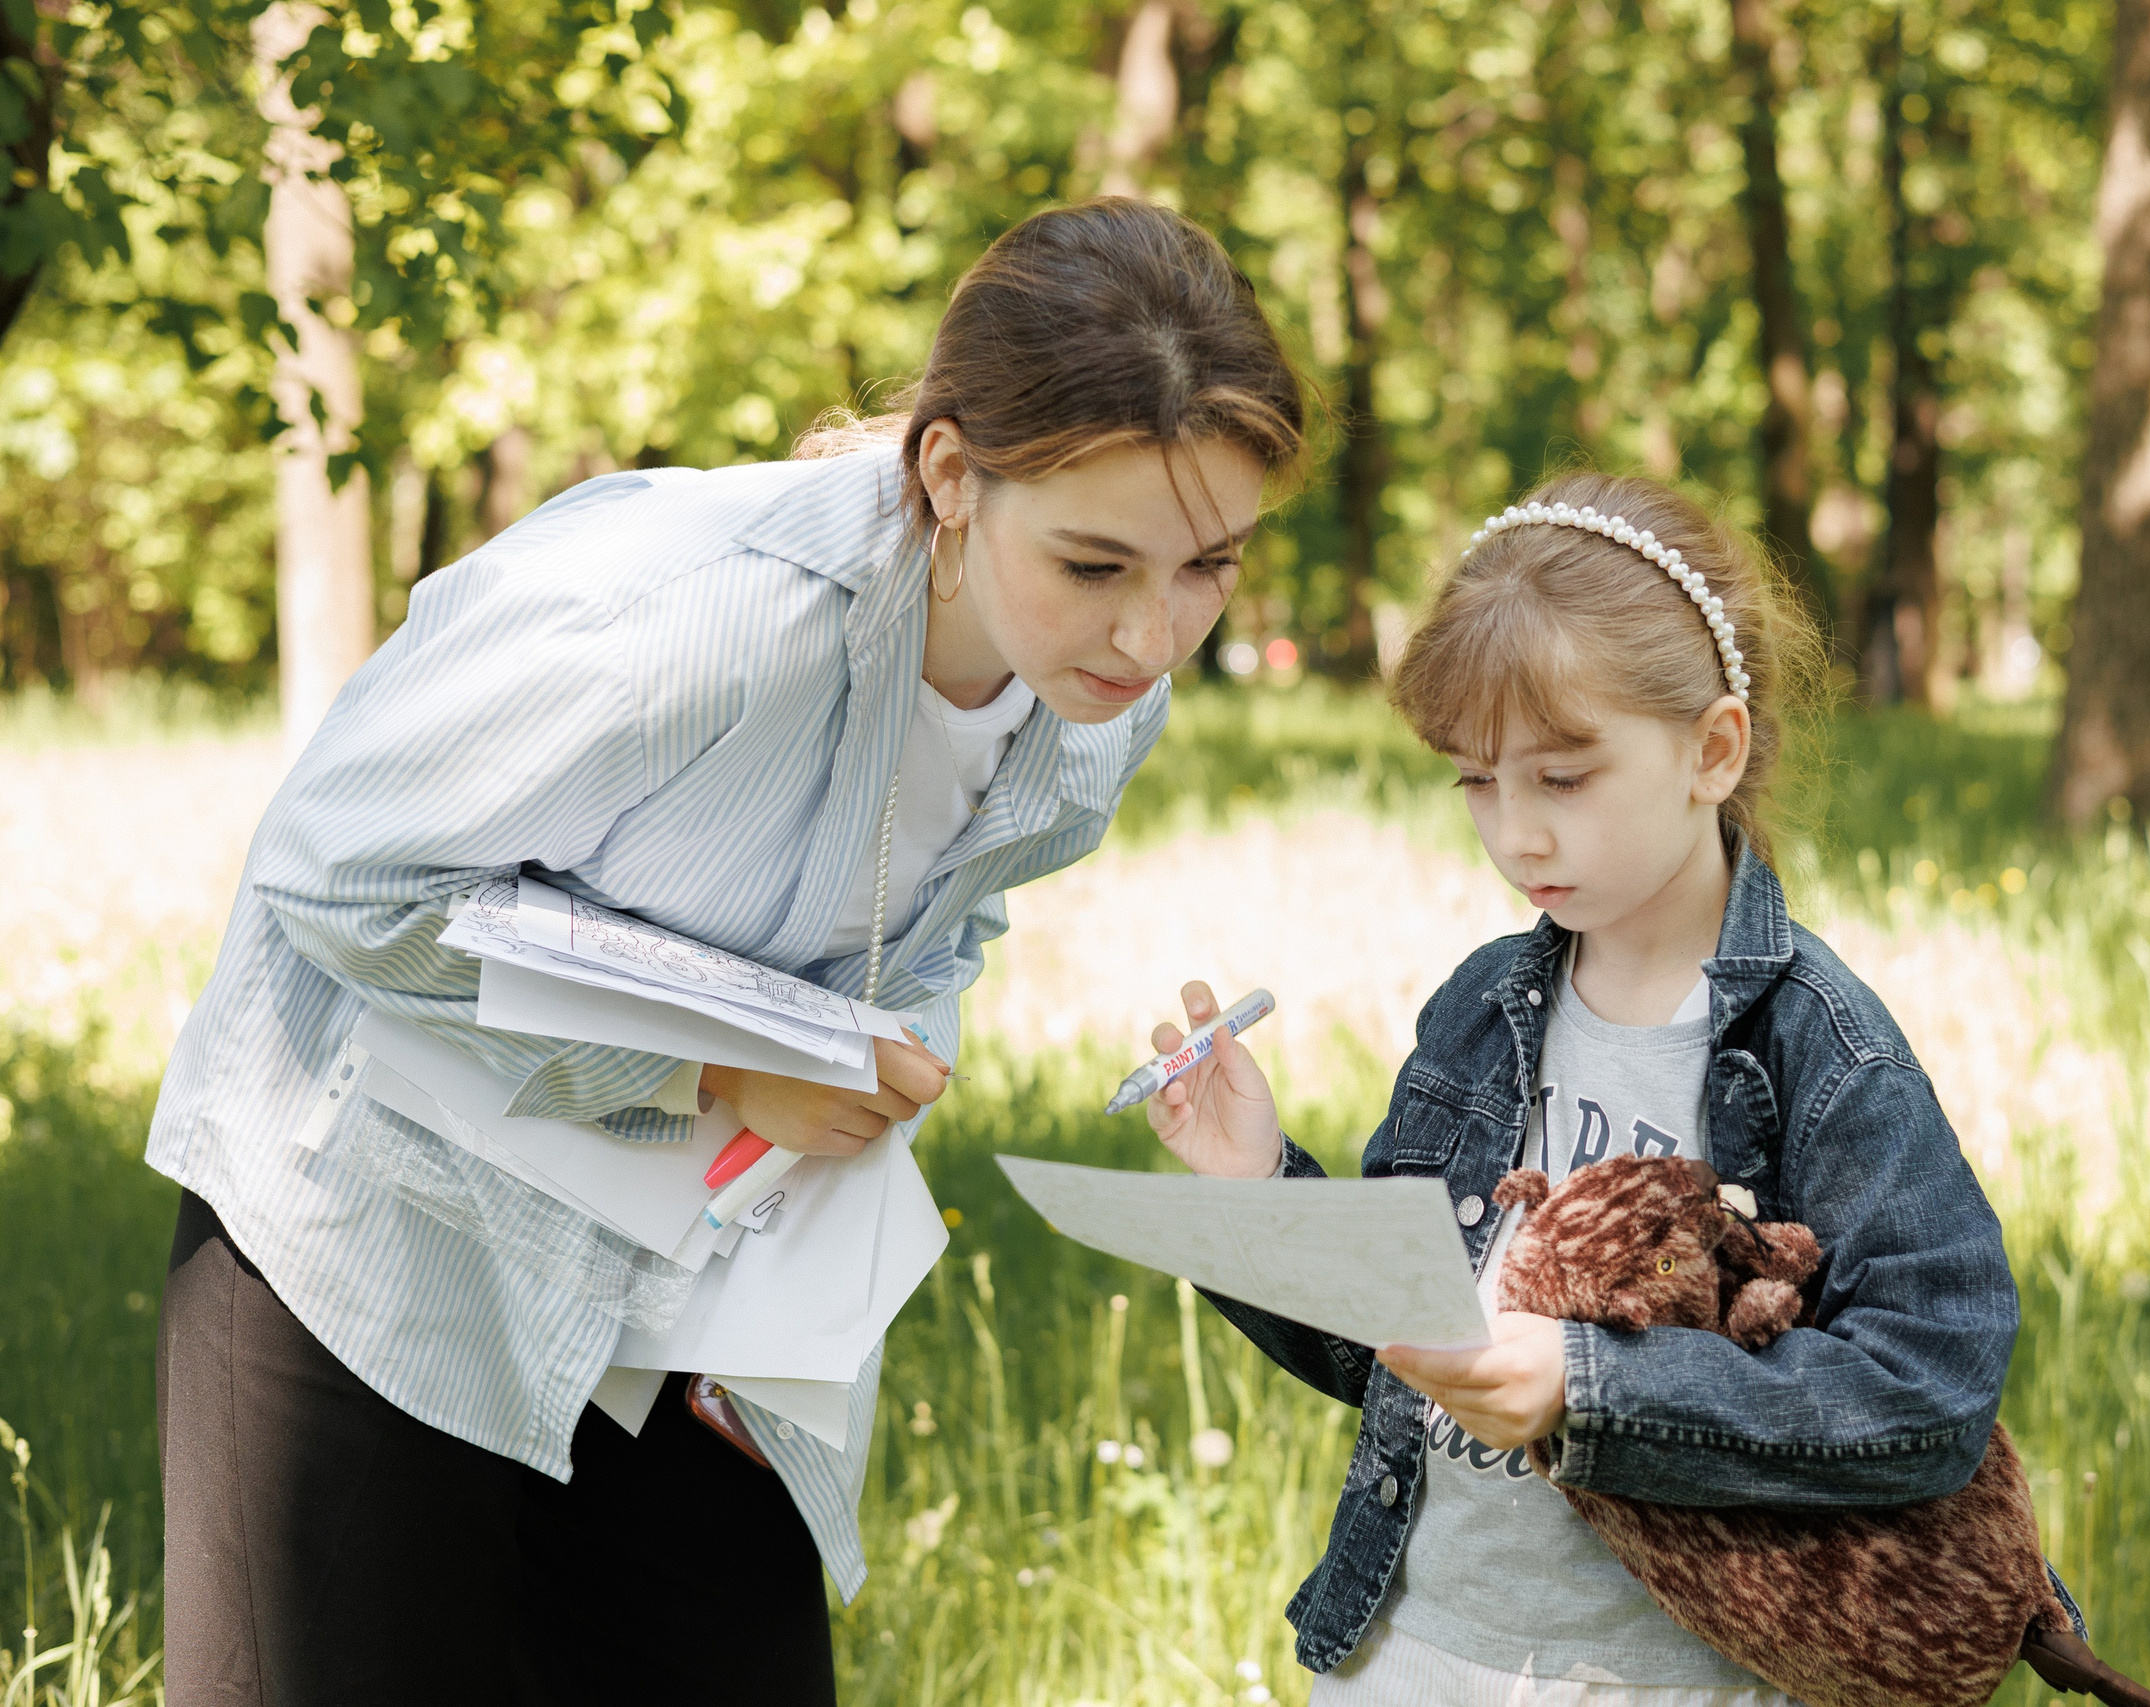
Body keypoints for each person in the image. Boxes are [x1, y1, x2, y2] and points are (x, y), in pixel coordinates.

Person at [149, 197, 1304, 1707]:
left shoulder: (1098, 698)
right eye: (1097, 565)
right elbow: (338, 872)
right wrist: (713, 1065)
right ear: (951, 473)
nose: (1156, 639)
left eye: (1209, 565)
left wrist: (878, 1048)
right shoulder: (681, 615)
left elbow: (951, 910)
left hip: (693, 1290)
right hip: (372, 1230)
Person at [1143, 471, 2039, 1705]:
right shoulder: (1481, 1012)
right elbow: (1393, 1354)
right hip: (1421, 1651)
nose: (1515, 834)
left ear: (1710, 751)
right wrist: (1256, 1186)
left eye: (1562, 779)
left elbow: (1926, 1389)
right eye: (1474, 779)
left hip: (1682, 1676)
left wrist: (1594, 1384)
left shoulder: (1818, 1054)